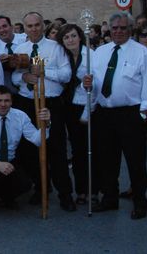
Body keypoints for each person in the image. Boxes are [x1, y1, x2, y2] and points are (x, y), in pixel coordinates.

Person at [84, 12, 147, 220]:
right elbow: (95, 82)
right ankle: (109, 197)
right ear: (109, 30)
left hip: (131, 114)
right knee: (107, 159)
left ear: (130, 30)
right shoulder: (100, 52)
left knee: (135, 160)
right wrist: (89, 85)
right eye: (115, 28)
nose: (118, 31)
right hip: (105, 113)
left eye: (123, 28)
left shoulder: (142, 53)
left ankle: (140, 200)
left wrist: (144, 113)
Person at [12, 12, 73, 210]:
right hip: (27, 101)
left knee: (56, 148)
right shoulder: (20, 49)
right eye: (29, 26)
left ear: (42, 25)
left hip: (50, 102)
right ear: (24, 28)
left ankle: (65, 194)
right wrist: (24, 78)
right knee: (30, 149)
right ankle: (41, 188)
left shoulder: (56, 48)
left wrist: (44, 72)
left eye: (37, 25)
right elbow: (14, 77)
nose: (34, 29)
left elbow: (66, 74)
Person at [0, 85, 50, 217]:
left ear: (11, 102)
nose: (3, 104)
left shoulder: (20, 116)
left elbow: (37, 140)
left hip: (9, 160)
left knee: (25, 184)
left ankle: (4, 196)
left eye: (6, 101)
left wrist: (46, 124)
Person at [56, 24, 91, 205]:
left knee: (83, 150)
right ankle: (76, 189)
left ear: (80, 37)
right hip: (65, 105)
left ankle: (87, 189)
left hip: (82, 106)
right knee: (72, 148)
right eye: (66, 37)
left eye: (73, 36)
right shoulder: (63, 56)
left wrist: (87, 113)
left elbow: (95, 86)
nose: (70, 40)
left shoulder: (90, 56)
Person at [0, 15, 27, 92]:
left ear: (11, 27)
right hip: (8, 90)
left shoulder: (25, 39)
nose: (2, 30)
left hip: (28, 87)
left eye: (4, 26)